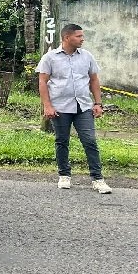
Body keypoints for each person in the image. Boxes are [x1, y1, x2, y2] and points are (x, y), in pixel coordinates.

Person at [36, 23, 112, 194]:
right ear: (66, 37)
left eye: (82, 36)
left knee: (90, 141)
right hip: (60, 108)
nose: (82, 39)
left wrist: (98, 103)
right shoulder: (50, 57)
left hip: (83, 106)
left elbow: (94, 80)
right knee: (62, 141)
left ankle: (98, 179)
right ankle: (64, 175)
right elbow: (42, 82)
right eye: (79, 36)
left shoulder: (87, 57)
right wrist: (47, 106)